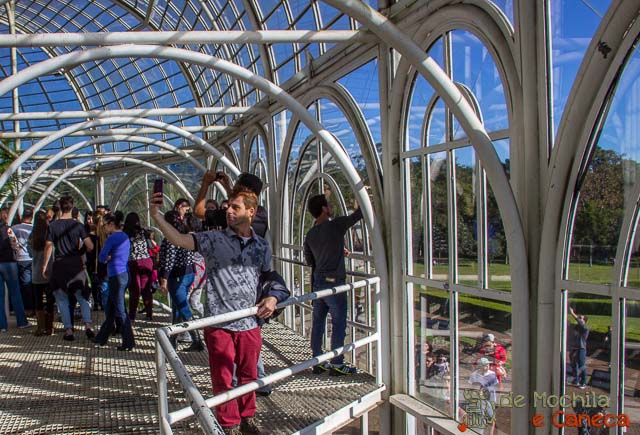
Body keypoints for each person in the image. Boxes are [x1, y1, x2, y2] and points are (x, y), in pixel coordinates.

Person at [150, 187, 276, 435]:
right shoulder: (212, 239)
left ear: (251, 212)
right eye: (227, 206)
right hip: (219, 323)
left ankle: (248, 418)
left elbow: (268, 277)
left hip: (250, 322)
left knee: (250, 374)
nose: (228, 210)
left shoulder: (262, 246)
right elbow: (178, 239)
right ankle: (228, 425)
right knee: (223, 376)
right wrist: (156, 215)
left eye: (235, 207)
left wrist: (272, 296)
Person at [304, 193, 363, 376]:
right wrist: (366, 196)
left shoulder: (311, 233)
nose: (331, 206)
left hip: (318, 282)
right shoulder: (336, 225)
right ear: (324, 209)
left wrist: (336, 249)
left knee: (319, 323)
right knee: (338, 323)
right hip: (334, 283)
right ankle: (337, 363)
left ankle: (318, 361)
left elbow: (309, 260)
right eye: (328, 204)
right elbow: (358, 215)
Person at [42, 195, 94, 341]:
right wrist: (80, 251)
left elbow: (48, 246)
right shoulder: (78, 226)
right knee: (82, 297)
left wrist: (45, 266)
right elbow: (90, 246)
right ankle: (88, 326)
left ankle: (69, 330)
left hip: (59, 266)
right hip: (76, 266)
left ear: (59, 207)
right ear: (72, 207)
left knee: (62, 299)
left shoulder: (53, 226)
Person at [158, 210, 202, 351]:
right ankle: (173, 339)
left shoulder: (171, 236)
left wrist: (164, 278)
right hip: (188, 273)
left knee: (183, 308)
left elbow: (169, 260)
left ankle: (197, 340)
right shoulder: (184, 233)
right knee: (177, 308)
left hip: (177, 276)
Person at [93, 211, 135, 351]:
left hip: (115, 275)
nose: (104, 228)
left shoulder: (112, 238)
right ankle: (102, 337)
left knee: (120, 310)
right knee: (111, 308)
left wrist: (108, 258)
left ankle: (128, 341)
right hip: (124, 273)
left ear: (111, 224)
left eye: (105, 225)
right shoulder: (124, 236)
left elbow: (101, 257)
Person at [0, 207, 30, 331]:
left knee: (0, 296)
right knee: (15, 292)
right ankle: (22, 322)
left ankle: (2, 325)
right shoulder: (9, 230)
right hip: (9, 263)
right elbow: (15, 245)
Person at [123, 212, 155, 322]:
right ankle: (149, 314)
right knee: (146, 289)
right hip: (146, 261)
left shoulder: (125, 234)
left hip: (133, 262)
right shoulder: (144, 232)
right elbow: (151, 245)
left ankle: (132, 316)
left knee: (134, 290)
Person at [30, 211, 55, 336]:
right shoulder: (49, 234)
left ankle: (40, 327)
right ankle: (50, 327)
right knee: (50, 299)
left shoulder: (32, 236)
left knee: (38, 300)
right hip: (49, 271)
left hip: (36, 272)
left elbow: (30, 254)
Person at [12, 208, 35, 316]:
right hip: (32, 259)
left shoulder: (14, 228)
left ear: (22, 217)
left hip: (20, 258)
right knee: (31, 284)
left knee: (24, 285)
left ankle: (28, 308)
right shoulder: (34, 229)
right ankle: (34, 307)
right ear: (31, 217)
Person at [468, 357, 498, 435]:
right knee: (480, 416)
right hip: (479, 399)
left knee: (491, 416)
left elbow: (494, 386)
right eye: (485, 365)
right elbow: (472, 386)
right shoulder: (474, 375)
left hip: (490, 398)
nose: (487, 366)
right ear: (480, 366)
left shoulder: (492, 374)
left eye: (488, 364)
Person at [569, 306, 589, 388]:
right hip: (574, 349)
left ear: (584, 321)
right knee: (574, 365)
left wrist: (573, 313)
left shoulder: (585, 328)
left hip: (581, 349)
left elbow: (579, 323)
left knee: (582, 365)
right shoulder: (576, 327)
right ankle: (576, 380)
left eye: (581, 318)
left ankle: (583, 382)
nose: (579, 319)